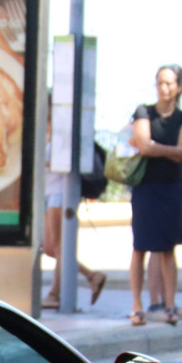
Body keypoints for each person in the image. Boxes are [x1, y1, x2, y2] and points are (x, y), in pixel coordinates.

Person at [127, 64, 182, 326]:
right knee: (140, 247)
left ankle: (170, 305)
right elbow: (147, 146)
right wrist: (176, 151)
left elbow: (179, 148)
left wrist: (162, 148)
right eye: (160, 82)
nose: (163, 87)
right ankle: (136, 306)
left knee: (167, 249)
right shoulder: (143, 112)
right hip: (146, 187)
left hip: (172, 188)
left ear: (179, 87)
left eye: (169, 83)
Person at [42, 102, 107, 309]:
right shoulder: (47, 133)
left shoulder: (63, 134)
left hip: (60, 194)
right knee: (51, 247)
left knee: (60, 246)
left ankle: (55, 293)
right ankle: (91, 276)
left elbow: (59, 162)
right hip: (50, 193)